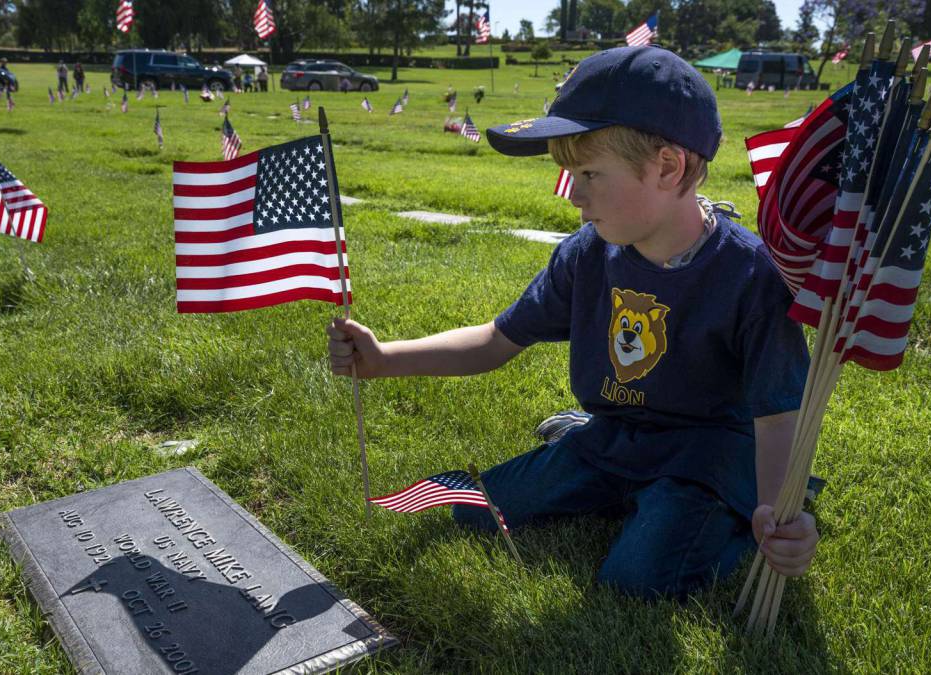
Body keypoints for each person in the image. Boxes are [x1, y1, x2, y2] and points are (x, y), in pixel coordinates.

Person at [326, 47, 820, 601]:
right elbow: (495, 339)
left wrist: (780, 514)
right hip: (614, 438)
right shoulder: (588, 255)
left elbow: (779, 417)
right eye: (568, 174)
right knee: (474, 509)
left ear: (667, 166)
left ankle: (723, 516)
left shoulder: (750, 275)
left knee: (635, 581)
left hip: (703, 457)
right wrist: (385, 358)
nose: (574, 196)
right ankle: (583, 444)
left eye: (588, 174)